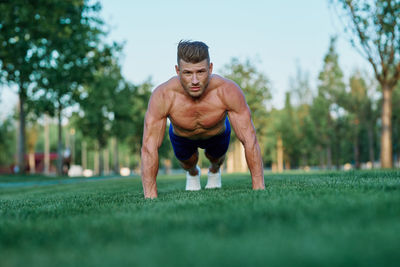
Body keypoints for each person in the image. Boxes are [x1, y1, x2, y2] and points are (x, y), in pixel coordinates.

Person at [141, 40, 265, 199]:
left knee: (216, 158)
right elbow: (148, 147)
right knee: (188, 163)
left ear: (210, 68)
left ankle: (214, 169)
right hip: (182, 135)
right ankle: (193, 172)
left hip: (217, 132)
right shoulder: (163, 95)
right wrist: (150, 197)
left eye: (200, 72)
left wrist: (259, 187)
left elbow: (250, 139)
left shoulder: (227, 91)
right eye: (187, 73)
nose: (194, 81)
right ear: (177, 71)